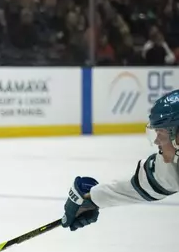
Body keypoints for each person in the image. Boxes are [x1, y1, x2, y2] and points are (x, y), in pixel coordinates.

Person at [62, 89, 179, 232]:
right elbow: (149, 184)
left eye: (161, 133)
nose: (156, 141)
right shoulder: (172, 165)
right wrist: (92, 197)